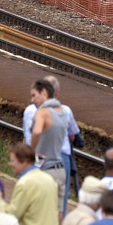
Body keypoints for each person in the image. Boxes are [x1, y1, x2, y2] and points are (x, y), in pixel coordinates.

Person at [29, 78, 69, 216]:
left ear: (44, 92)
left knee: (40, 213)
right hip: (60, 169)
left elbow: (37, 131)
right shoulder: (63, 112)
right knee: (58, 212)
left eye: (34, 95)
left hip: (44, 170)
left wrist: (31, 151)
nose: (32, 100)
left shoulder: (42, 112)